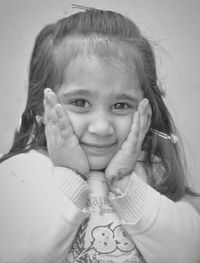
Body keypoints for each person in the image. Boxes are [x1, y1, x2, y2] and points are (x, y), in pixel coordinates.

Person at [0, 7, 200, 263]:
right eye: (81, 103)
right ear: (42, 107)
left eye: (120, 105)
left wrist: (125, 184)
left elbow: (191, 253)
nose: (102, 127)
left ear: (146, 108)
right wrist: (70, 177)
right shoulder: (19, 174)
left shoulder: (154, 173)